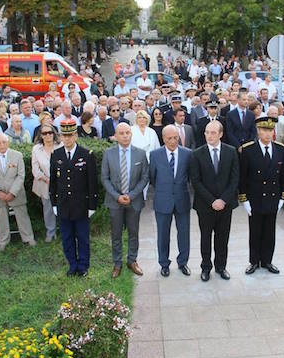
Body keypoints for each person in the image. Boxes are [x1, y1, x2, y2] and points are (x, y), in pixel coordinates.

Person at [190, 120, 239, 281]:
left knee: (222, 238)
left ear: (221, 134)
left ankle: (221, 267)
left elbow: (234, 179)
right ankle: (205, 267)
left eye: (213, 133)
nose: (209, 136)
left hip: (226, 205)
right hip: (205, 205)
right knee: (205, 238)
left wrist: (223, 200)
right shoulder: (197, 153)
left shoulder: (231, 151)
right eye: (207, 132)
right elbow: (195, 181)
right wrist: (212, 201)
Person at [239, 116, 284, 275]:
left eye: (270, 130)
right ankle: (254, 261)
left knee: (269, 231)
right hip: (255, 198)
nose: (268, 134)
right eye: (264, 130)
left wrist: (283, 197)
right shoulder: (248, 150)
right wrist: (244, 199)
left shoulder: (280, 149)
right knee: (255, 231)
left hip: (273, 197)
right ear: (258, 131)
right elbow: (243, 177)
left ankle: (267, 261)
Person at [49, 119, 98, 277]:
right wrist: (54, 203)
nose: (67, 139)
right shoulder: (56, 155)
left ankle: (83, 266)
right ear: (61, 137)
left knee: (82, 237)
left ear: (76, 136)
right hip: (63, 204)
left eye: (70, 135)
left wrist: (92, 205)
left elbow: (92, 183)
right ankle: (72, 264)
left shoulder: (86, 154)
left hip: (81, 205)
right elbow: (53, 182)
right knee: (67, 237)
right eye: (64, 136)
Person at [101, 123, 149, 279]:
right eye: (121, 133)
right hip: (115, 201)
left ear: (131, 134)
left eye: (127, 132)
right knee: (116, 234)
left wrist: (132, 195)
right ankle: (117, 263)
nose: (125, 136)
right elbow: (105, 178)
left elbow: (145, 177)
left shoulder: (140, 154)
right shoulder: (108, 154)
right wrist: (117, 196)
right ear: (116, 136)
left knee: (133, 232)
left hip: (133, 201)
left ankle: (132, 261)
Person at [149, 125, 192, 277]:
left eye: (175, 138)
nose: (173, 141)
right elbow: (152, 177)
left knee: (184, 234)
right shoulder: (155, 155)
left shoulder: (188, 154)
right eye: (169, 138)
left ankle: (183, 262)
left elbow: (190, 176)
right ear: (163, 138)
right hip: (163, 200)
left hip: (182, 199)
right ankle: (164, 264)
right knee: (163, 234)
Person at [0, 134, 36, 251]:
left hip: (16, 193)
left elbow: (21, 175)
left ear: (8, 142)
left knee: (22, 216)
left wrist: (13, 192)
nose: (2, 145)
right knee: (2, 219)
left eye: (4, 142)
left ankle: (28, 238)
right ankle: (3, 241)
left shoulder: (17, 155)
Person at [31, 123, 61, 242]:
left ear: (54, 133)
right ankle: (50, 232)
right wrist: (47, 179)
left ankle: (65, 230)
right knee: (48, 209)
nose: (48, 135)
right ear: (41, 135)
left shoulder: (61, 146)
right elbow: (35, 169)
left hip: (61, 182)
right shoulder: (36, 149)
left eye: (50, 132)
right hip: (45, 183)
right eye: (45, 133)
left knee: (64, 207)